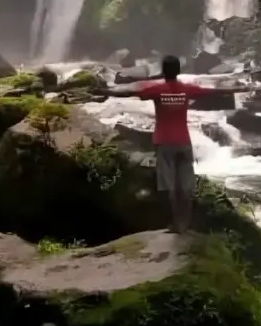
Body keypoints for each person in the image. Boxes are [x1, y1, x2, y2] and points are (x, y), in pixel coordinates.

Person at [103, 54, 251, 233]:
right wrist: (241, 88)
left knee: (168, 186)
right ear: (178, 71)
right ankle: (185, 224)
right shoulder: (186, 89)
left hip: (164, 143)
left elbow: (128, 92)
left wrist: (103, 91)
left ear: (163, 71)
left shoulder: (157, 89)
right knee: (186, 185)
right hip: (184, 142)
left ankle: (174, 224)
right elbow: (212, 92)